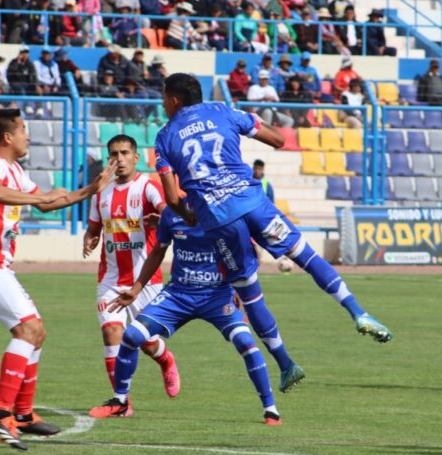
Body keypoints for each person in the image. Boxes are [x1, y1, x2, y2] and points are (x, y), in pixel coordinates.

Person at [154, 74, 392, 394]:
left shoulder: (165, 136)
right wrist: (249, 122)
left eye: (163, 98)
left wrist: (188, 214)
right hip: (255, 204)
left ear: (174, 100)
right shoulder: (224, 111)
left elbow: (171, 198)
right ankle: (358, 312)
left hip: (220, 220)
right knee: (306, 256)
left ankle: (285, 364)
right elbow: (278, 140)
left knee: (249, 294)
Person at [0, 108, 115, 451]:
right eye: (24, 130)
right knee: (28, 330)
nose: (29, 136)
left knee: (36, 333)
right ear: (8, 136)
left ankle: (24, 415)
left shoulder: (14, 169)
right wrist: (40, 196)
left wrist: (90, 189)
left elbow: (47, 203)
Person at [89, 205, 282, 425]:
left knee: (246, 342)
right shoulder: (171, 215)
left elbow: (250, 254)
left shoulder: (227, 212)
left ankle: (271, 409)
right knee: (132, 335)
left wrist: (242, 287)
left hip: (217, 295)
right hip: (178, 294)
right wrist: (135, 290)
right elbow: (157, 252)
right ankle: (120, 400)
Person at [82, 135, 181, 398]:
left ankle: (166, 360)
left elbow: (170, 213)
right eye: (113, 155)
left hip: (146, 280)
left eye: (125, 153)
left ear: (136, 157)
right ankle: (121, 401)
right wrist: (89, 239)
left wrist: (160, 219)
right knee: (112, 332)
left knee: (145, 342)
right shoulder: (101, 192)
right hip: (110, 279)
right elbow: (93, 229)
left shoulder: (148, 187)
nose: (119, 159)